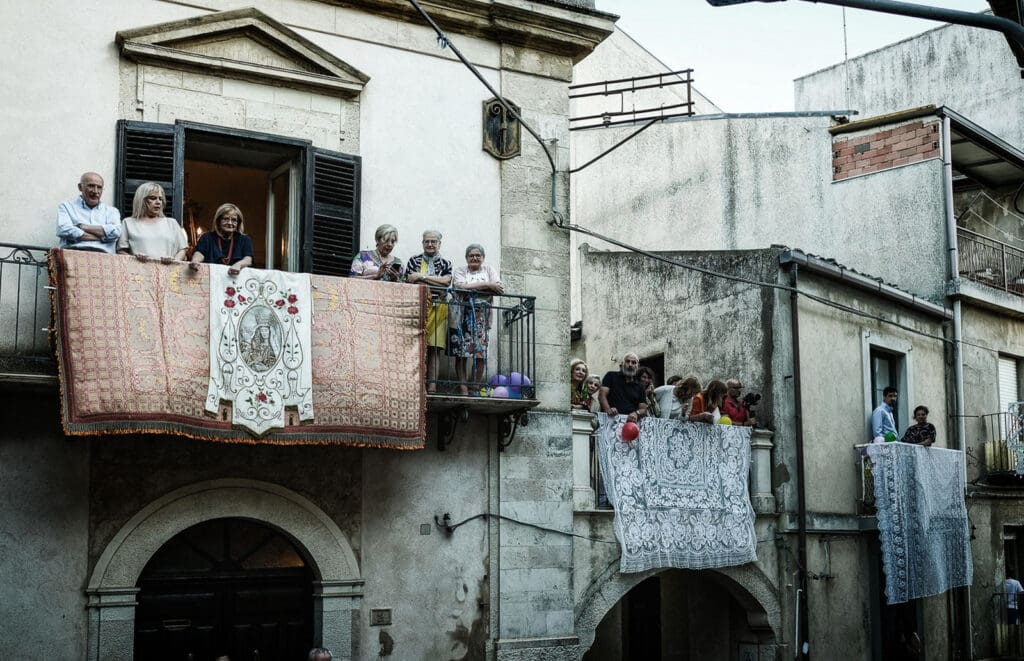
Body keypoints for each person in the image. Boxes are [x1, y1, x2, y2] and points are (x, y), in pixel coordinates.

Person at [449, 244, 503, 395]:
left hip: (482, 318)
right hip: (463, 317)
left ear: (483, 258)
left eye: (478, 255)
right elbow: (460, 286)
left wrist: (472, 287)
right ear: (466, 258)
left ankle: (476, 386)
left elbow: (499, 288)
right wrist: (487, 284)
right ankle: (463, 387)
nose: (474, 258)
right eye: (471, 255)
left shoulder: (489, 270)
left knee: (480, 353)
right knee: (462, 353)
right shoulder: (460, 271)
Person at [405, 230, 453, 393]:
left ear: (440, 243)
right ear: (422, 243)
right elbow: (410, 280)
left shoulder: (446, 263)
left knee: (435, 348)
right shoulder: (414, 260)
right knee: (417, 346)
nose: (430, 244)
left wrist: (422, 277)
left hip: (438, 307)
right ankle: (417, 384)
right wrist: (434, 282)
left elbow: (446, 283)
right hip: (418, 306)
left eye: (433, 241)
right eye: (427, 241)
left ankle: (432, 385)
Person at [116, 182, 187, 262]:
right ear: (142, 200)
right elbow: (121, 251)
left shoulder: (172, 223)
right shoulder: (128, 223)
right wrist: (135, 259)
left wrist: (174, 261)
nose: (158, 202)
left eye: (160, 199)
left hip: (168, 273)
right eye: (153, 198)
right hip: (139, 273)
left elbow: (182, 249)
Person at [56, 171, 122, 254]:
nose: (95, 191)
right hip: (73, 256)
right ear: (80, 187)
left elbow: (116, 232)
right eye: (91, 186)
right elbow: (63, 230)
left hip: (104, 260)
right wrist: (103, 237)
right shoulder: (66, 207)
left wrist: (82, 226)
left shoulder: (112, 211)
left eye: (99, 187)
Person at [189, 203, 254, 276]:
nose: (230, 223)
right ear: (218, 221)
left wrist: (239, 265)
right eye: (226, 219)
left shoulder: (244, 239)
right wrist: (195, 260)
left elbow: (248, 259)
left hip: (235, 279)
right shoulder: (207, 237)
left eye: (234, 220)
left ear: (238, 223)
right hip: (211, 278)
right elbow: (200, 253)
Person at [598, 352, 648, 423]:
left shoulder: (640, 386)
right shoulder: (611, 376)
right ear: (622, 363)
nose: (630, 365)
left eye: (634, 363)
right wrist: (608, 409)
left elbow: (643, 409)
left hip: (630, 424)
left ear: (638, 366)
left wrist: (636, 413)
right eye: (627, 361)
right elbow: (601, 395)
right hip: (610, 420)